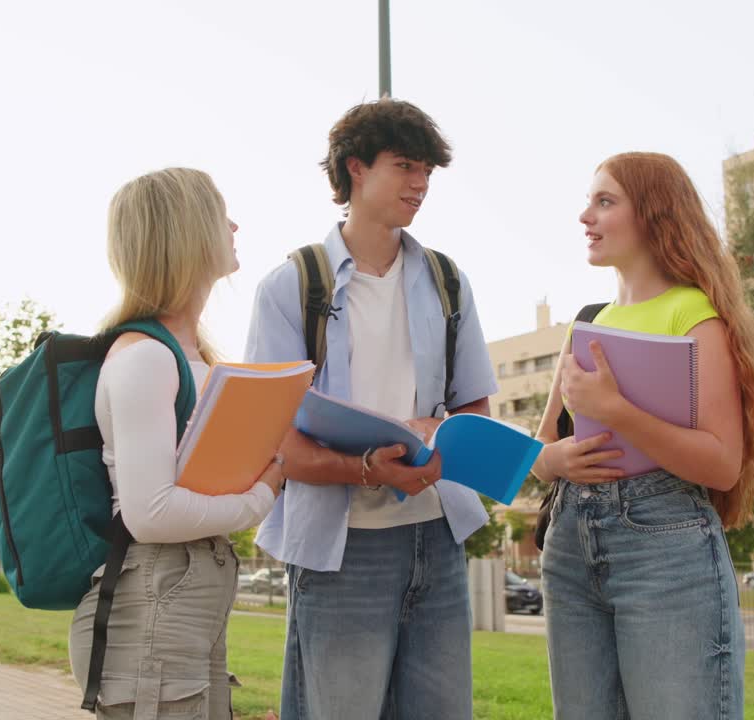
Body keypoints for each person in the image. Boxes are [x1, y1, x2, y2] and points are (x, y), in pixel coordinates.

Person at [244, 98, 498, 720]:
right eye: (406, 166)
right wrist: (368, 470)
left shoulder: (447, 280)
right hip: (341, 552)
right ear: (355, 169)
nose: (420, 184)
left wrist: (444, 441)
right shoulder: (292, 288)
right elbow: (276, 443)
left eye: (428, 172)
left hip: (435, 541)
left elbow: (475, 410)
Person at [531, 152, 754, 720]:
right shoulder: (588, 320)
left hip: (665, 548)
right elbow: (540, 453)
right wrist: (558, 459)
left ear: (653, 215)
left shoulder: (693, 313)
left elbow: (722, 464)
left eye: (605, 201)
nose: (584, 215)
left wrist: (614, 410)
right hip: (570, 547)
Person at [68, 168, 283, 719]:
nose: (234, 225)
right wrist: (265, 492)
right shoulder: (145, 358)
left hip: (180, 601)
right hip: (156, 604)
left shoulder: (189, 359)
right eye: (219, 213)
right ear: (185, 233)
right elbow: (152, 514)